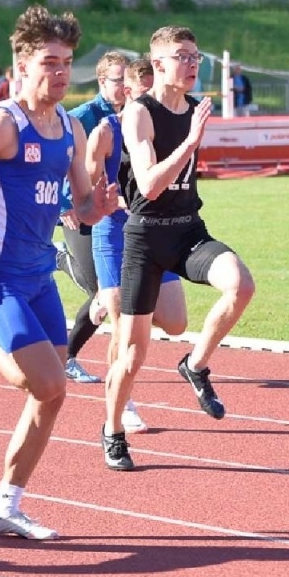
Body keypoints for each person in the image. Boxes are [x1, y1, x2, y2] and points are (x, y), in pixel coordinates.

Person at [0, 5, 115, 541]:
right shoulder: (1, 125)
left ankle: (6, 506)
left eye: (67, 63)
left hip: (39, 276)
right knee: (50, 380)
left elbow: (78, 204)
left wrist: (96, 207)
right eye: (50, 63)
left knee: (50, 393)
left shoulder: (71, 129)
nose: (60, 74)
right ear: (22, 67)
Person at [102, 25, 256, 473]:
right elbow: (148, 186)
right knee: (132, 354)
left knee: (241, 285)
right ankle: (112, 430)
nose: (191, 64)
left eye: (196, 56)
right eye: (182, 56)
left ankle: (195, 364)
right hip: (146, 237)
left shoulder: (194, 108)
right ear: (159, 65)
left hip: (188, 231)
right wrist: (190, 142)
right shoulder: (139, 114)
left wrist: (192, 133)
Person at [83, 53, 189, 448]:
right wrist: (102, 200)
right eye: (144, 95)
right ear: (127, 92)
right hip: (115, 235)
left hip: (155, 232)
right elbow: (85, 187)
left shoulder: (163, 127)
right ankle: (122, 403)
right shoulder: (106, 132)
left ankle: (104, 301)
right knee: (124, 325)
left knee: (176, 322)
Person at [57, 50, 132, 386]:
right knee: (101, 291)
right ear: (103, 81)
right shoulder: (83, 117)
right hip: (80, 211)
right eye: (120, 81)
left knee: (110, 292)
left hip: (115, 215)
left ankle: (67, 357)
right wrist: (62, 205)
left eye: (129, 80)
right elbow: (55, 161)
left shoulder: (133, 115)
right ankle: (62, 259)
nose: (126, 87)